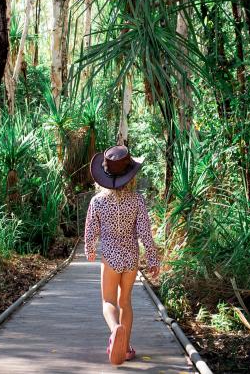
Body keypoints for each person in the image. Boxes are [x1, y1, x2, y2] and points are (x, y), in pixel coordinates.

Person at [84, 145, 160, 365]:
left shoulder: (97, 201)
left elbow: (91, 230)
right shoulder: (137, 200)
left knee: (108, 301)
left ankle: (115, 329)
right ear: (129, 175)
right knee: (125, 302)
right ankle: (125, 346)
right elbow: (145, 232)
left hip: (110, 256)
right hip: (131, 257)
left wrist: (89, 249)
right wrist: (153, 260)